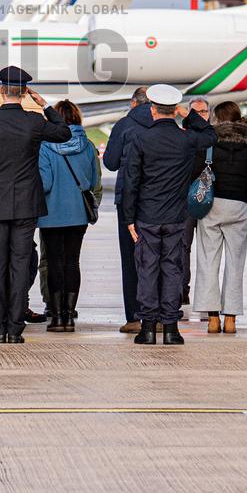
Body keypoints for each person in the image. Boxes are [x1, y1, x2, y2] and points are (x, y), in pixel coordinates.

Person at [0, 66, 72, 344]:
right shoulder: (34, 121)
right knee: (19, 265)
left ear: (1, 90)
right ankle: (15, 328)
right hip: (26, 205)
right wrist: (46, 106)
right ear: (25, 92)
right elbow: (64, 133)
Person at [123, 83, 216, 346]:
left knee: (147, 270)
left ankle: (148, 328)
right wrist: (190, 114)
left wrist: (129, 218)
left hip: (147, 215)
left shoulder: (140, 138)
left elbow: (131, 181)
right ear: (175, 110)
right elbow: (211, 135)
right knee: (173, 270)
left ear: (152, 110)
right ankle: (171, 328)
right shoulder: (186, 139)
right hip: (176, 216)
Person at [192, 101, 247, 334]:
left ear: (217, 119)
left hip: (212, 204)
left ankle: (212, 318)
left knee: (208, 260)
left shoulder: (209, 142)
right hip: (239, 204)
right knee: (235, 263)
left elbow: (195, 172)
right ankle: (230, 318)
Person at [38, 100, 101, 331]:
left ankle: (57, 317)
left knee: (54, 263)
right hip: (78, 213)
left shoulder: (45, 146)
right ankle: (69, 316)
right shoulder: (88, 145)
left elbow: (45, 183)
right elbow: (93, 182)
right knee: (72, 262)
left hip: (51, 214)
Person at [103, 86, 152, 333]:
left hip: (128, 200)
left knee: (130, 258)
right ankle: (158, 317)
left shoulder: (124, 125)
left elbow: (110, 163)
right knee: (159, 257)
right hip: (158, 201)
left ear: (133, 102)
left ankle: (133, 317)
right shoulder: (164, 124)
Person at [182, 96, 210, 306]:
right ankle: (182, 290)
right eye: (195, 112)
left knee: (209, 250)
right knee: (183, 247)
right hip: (186, 201)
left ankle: (207, 296)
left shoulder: (214, 138)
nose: (200, 116)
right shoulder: (182, 138)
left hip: (209, 200)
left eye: (203, 112)